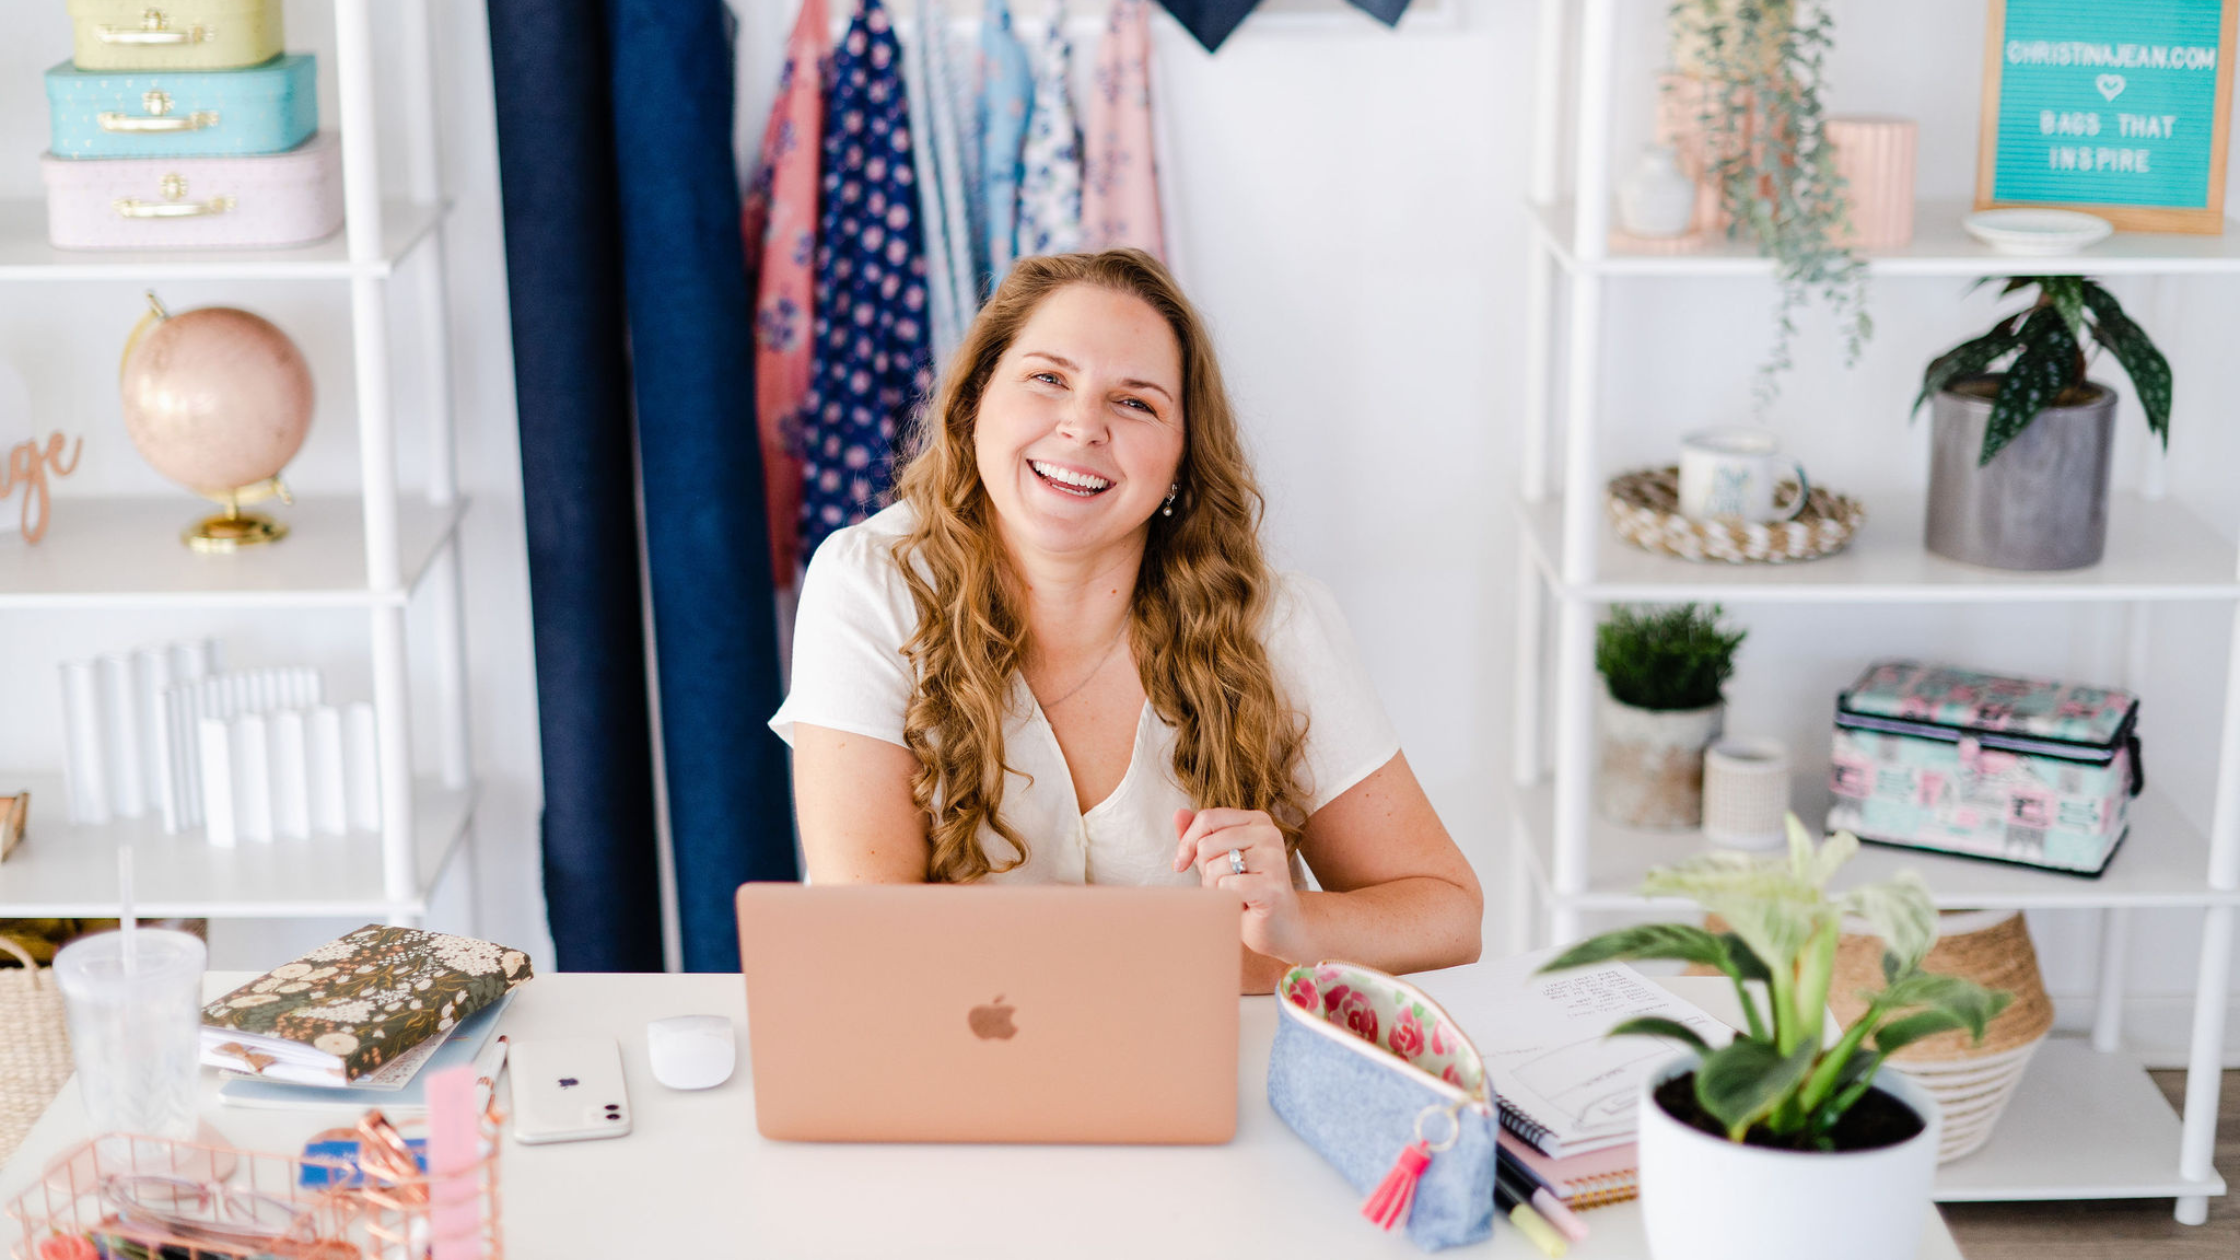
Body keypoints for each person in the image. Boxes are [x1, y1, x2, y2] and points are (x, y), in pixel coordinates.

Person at [770, 249, 1482, 992]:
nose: (1081, 427)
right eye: (1048, 378)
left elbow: (1449, 915)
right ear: (975, 400)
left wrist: (1298, 926)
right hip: (951, 1087)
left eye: (1135, 402)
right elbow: (870, 936)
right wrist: (1217, 955)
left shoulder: (1275, 623)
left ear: (1181, 457)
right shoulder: (869, 585)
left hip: (1216, 1091)